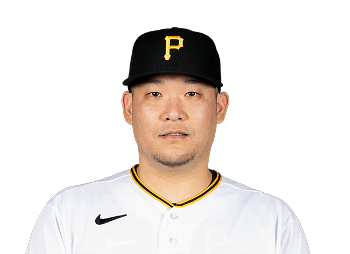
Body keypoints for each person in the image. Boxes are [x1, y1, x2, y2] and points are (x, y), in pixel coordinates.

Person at [26, 28, 310, 254]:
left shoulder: (272, 219)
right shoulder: (68, 213)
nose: (173, 113)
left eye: (192, 94)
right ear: (128, 108)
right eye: (154, 94)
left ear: (220, 108)